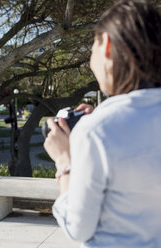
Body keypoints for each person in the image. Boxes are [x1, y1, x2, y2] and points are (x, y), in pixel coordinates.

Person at [43, 0, 161, 247]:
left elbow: (78, 228)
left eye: (92, 49)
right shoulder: (100, 126)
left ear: (106, 45)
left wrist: (65, 162)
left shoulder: (97, 130)